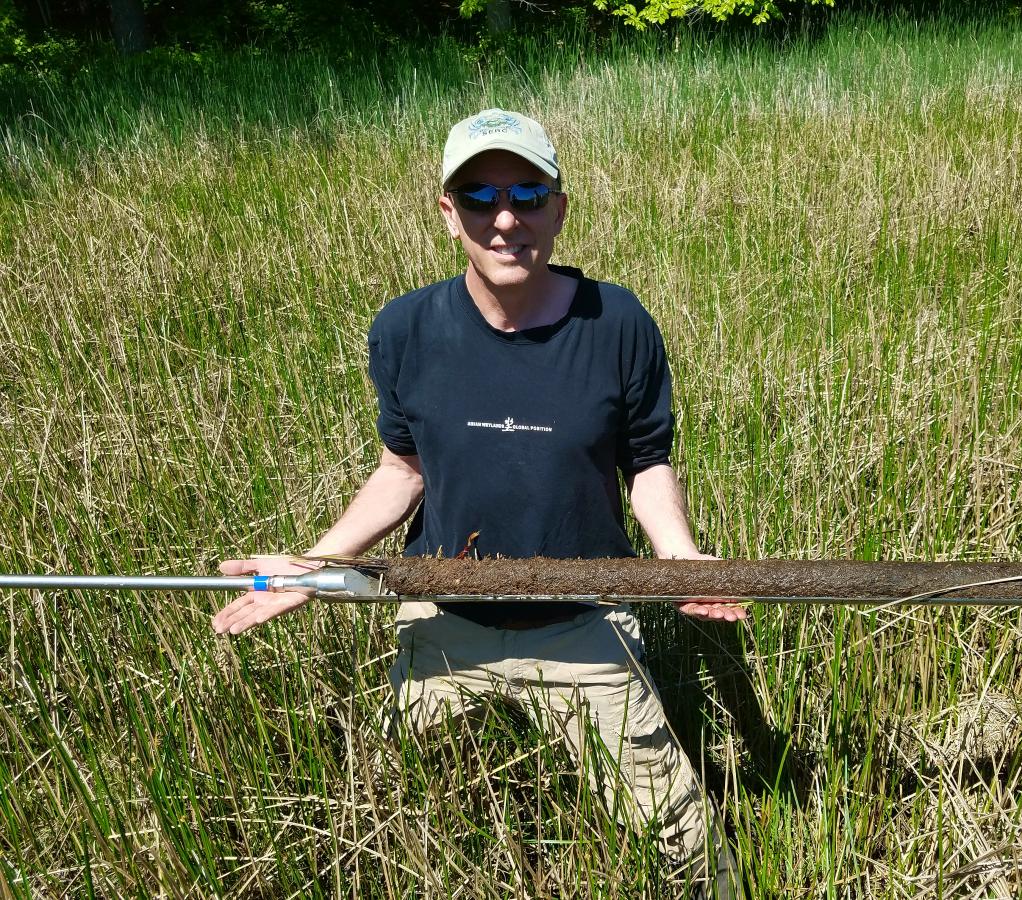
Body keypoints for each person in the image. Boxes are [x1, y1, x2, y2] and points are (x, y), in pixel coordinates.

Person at [211, 108, 745, 897]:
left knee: (689, 847)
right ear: (446, 212)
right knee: (410, 822)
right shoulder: (404, 329)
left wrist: (680, 558)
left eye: (528, 194)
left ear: (560, 206)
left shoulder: (618, 322)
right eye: (478, 196)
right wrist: (318, 565)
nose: (505, 219)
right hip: (443, 624)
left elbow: (647, 467)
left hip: (584, 625)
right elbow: (403, 469)